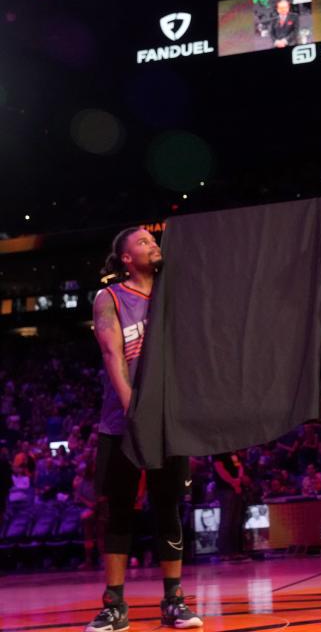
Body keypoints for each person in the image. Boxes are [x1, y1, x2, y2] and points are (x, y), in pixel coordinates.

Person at [85, 227, 201, 632]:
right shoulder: (110, 297)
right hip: (123, 423)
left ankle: (174, 600)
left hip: (169, 424)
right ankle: (114, 604)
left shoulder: (174, 296)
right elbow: (112, 353)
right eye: (143, 243)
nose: (153, 245)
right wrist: (133, 408)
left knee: (168, 508)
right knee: (120, 511)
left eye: (154, 242)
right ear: (126, 259)